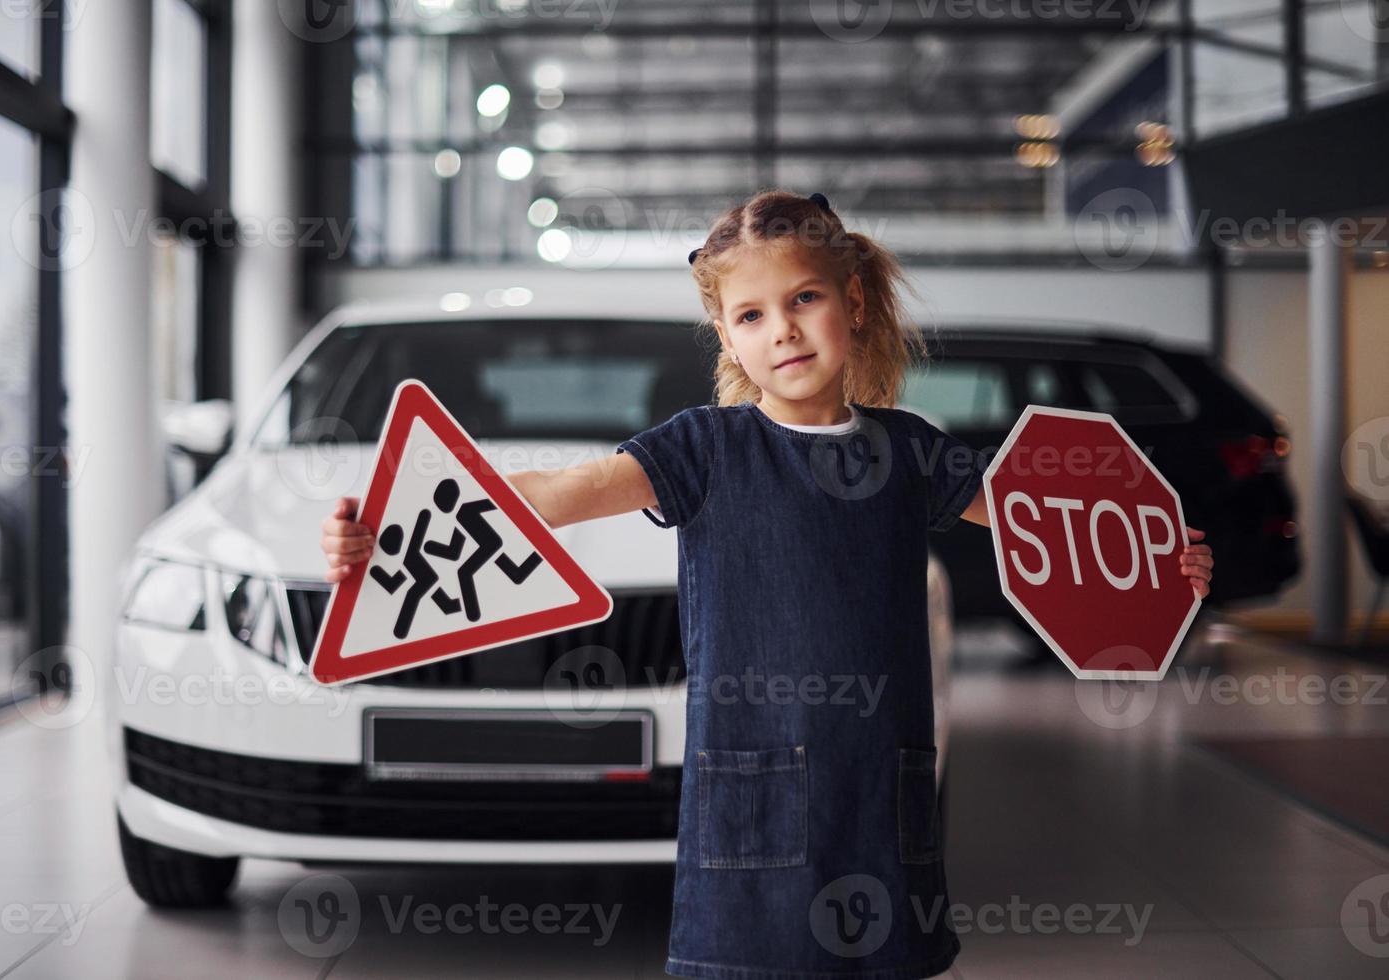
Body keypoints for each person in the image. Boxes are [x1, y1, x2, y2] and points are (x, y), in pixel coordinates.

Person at [318, 190, 1216, 978]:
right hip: (751, 788)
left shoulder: (908, 449)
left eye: (804, 299)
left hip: (880, 786)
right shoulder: (704, 449)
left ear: (852, 303)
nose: (780, 328)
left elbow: (1051, 527)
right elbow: (561, 493)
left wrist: (1165, 565)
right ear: (726, 336)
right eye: (749, 316)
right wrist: (387, 531)